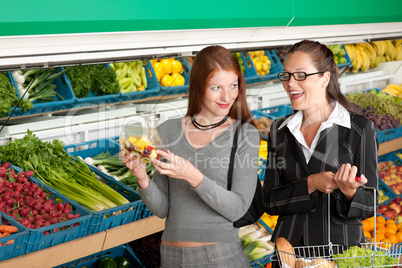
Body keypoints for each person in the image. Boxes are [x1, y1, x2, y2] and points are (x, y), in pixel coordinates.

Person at [121, 45, 260, 267]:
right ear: (199, 87)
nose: (227, 96)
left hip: (221, 256)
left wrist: (192, 175)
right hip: (171, 257)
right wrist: (142, 178)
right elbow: (163, 209)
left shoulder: (245, 135)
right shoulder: (167, 131)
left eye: (233, 86)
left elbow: (237, 208)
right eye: (216, 87)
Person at [263, 40, 378, 259]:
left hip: (338, 253)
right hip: (290, 254)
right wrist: (311, 184)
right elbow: (269, 200)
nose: (290, 83)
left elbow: (370, 203)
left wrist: (350, 191)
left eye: (300, 75)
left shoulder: (358, 129)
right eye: (286, 75)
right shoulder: (279, 130)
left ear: (325, 78)